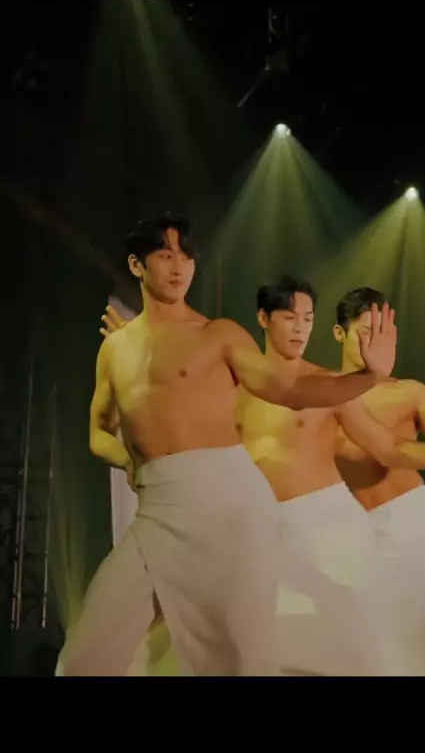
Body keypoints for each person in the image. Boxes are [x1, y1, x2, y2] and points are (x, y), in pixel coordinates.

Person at [57, 215, 400, 677]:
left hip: (228, 504)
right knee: (85, 657)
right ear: (137, 265)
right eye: (165, 255)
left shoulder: (217, 334)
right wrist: (129, 462)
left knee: (240, 658)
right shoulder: (115, 349)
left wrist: (369, 377)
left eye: (186, 256)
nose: (179, 266)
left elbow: (290, 389)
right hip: (158, 510)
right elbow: (99, 431)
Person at [98, 272, 425, 676]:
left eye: (307, 319)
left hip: (327, 526)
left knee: (369, 647)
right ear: (263, 319)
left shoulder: (328, 388)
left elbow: (390, 449)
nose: (300, 328)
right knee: (233, 642)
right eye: (289, 318)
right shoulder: (233, 387)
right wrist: (141, 354)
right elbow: (175, 411)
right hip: (259, 528)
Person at [333, 286, 425, 675]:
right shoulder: (321, 397)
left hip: (415, 524)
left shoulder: (407, 392)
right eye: (365, 332)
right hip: (355, 537)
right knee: (379, 650)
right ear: (339, 333)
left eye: (382, 334)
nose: (373, 343)